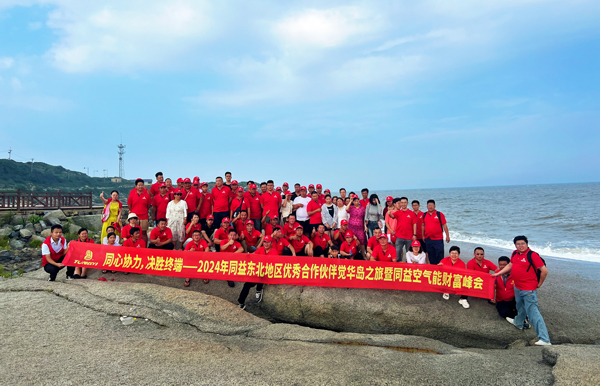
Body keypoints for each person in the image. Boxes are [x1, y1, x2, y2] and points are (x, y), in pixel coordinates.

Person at [492, 235, 551, 346]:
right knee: (520, 306)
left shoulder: (532, 255)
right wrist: (498, 273)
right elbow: (511, 264)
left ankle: (545, 339)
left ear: (527, 244)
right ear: (515, 245)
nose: (520, 246)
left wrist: (540, 283)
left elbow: (544, 271)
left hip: (528, 289)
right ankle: (518, 322)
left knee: (533, 313)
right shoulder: (515, 253)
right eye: (518, 244)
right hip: (517, 286)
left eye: (522, 243)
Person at [237, 235, 278, 309]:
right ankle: (241, 303)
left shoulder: (274, 252)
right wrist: (248, 255)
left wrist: (271, 279)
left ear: (271, 243)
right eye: (264, 242)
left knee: (262, 272)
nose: (266, 244)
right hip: (258, 273)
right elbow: (254, 255)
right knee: (247, 284)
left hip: (267, 274)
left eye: (268, 242)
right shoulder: (261, 249)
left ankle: (259, 290)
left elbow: (275, 267)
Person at [389, 197, 417, 263]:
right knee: (397, 251)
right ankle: (398, 264)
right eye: (402, 203)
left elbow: (414, 224)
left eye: (405, 202)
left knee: (409, 253)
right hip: (399, 236)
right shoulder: (398, 212)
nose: (403, 204)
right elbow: (392, 216)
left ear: (407, 203)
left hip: (409, 237)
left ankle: (408, 264)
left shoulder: (412, 213)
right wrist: (389, 213)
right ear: (400, 204)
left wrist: (414, 235)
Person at [422, 200, 450, 265]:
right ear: (427, 206)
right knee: (431, 255)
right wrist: (423, 236)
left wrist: (447, 236)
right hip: (428, 239)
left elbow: (444, 225)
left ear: (435, 206)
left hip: (438, 239)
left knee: (439, 255)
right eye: (429, 205)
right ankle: (433, 270)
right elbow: (423, 225)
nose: (430, 207)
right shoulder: (425, 215)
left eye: (432, 205)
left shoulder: (439, 214)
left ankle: (440, 270)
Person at [493, 256, 519, 320]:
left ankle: (520, 316)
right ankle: (518, 317)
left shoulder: (515, 274)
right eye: (500, 264)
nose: (502, 266)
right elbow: (493, 286)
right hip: (501, 300)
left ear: (509, 265)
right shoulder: (497, 274)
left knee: (523, 307)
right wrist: (492, 296)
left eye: (505, 264)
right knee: (503, 313)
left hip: (513, 299)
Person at [128, 179, 152, 243]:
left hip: (144, 216)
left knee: (144, 232)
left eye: (142, 185)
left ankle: (144, 247)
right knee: (133, 232)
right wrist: (132, 211)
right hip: (134, 216)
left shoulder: (146, 194)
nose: (140, 187)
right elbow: (129, 205)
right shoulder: (132, 193)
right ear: (136, 186)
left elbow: (149, 205)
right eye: (139, 185)